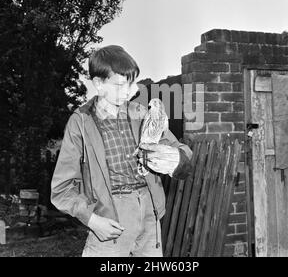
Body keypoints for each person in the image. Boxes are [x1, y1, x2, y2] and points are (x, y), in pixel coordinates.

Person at [51, 45, 193, 257]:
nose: (129, 91)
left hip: (149, 217)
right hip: (109, 219)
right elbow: (61, 189)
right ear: (99, 84)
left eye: (132, 83)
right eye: (119, 85)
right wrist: (92, 220)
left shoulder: (141, 113)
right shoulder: (80, 123)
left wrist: (177, 157)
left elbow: (180, 150)